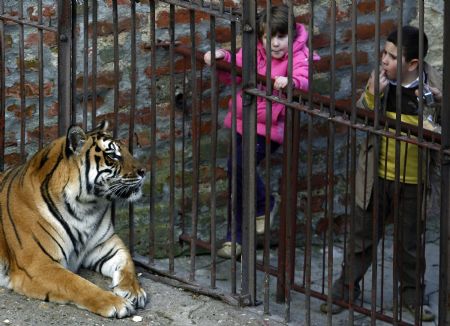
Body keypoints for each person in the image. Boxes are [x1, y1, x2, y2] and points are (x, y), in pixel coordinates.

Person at [320, 26, 442, 322]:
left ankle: (412, 296)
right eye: (384, 53)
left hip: (415, 180)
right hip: (377, 176)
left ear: (413, 64)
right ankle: (346, 288)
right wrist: (374, 96)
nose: (384, 60)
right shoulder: (382, 82)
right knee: (361, 237)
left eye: (392, 56)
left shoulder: (432, 85)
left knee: (410, 244)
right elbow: (361, 116)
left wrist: (438, 104)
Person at [204, 5, 320, 258]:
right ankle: (235, 238)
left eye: (281, 37)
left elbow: (305, 77)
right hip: (243, 119)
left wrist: (292, 82)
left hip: (270, 127)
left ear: (291, 35)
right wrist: (221, 58)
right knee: (236, 174)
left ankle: (265, 203)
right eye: (269, 38)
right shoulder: (254, 50)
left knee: (241, 167)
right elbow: (235, 70)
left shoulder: (299, 55)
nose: (275, 44)